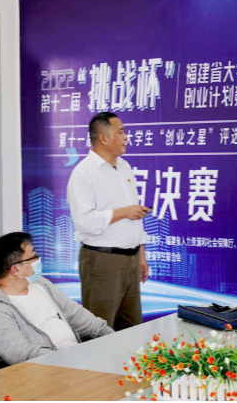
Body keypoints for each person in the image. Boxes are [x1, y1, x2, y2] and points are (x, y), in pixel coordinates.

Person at [67, 112, 151, 330]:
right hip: (103, 260)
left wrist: (141, 255)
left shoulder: (124, 166)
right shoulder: (83, 173)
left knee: (131, 329)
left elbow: (136, 213)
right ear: (103, 138)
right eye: (121, 132)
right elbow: (84, 221)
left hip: (130, 259)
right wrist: (122, 212)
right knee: (101, 330)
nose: (126, 137)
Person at [0, 232, 114, 366]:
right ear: (16, 269)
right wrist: (72, 360)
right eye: (34, 256)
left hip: (76, 359)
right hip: (46, 369)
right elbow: (19, 353)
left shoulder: (40, 283)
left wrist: (115, 340)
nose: (38, 260)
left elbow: (81, 318)